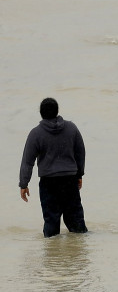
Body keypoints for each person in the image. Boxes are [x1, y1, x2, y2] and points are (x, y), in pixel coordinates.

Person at [18, 98, 88, 238]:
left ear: (41, 113)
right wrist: (79, 175)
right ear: (57, 111)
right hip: (70, 180)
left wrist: (24, 184)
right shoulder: (71, 128)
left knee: (51, 224)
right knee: (76, 223)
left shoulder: (36, 133)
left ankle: (52, 257)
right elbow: (81, 152)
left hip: (49, 183)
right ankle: (78, 256)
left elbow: (27, 161)